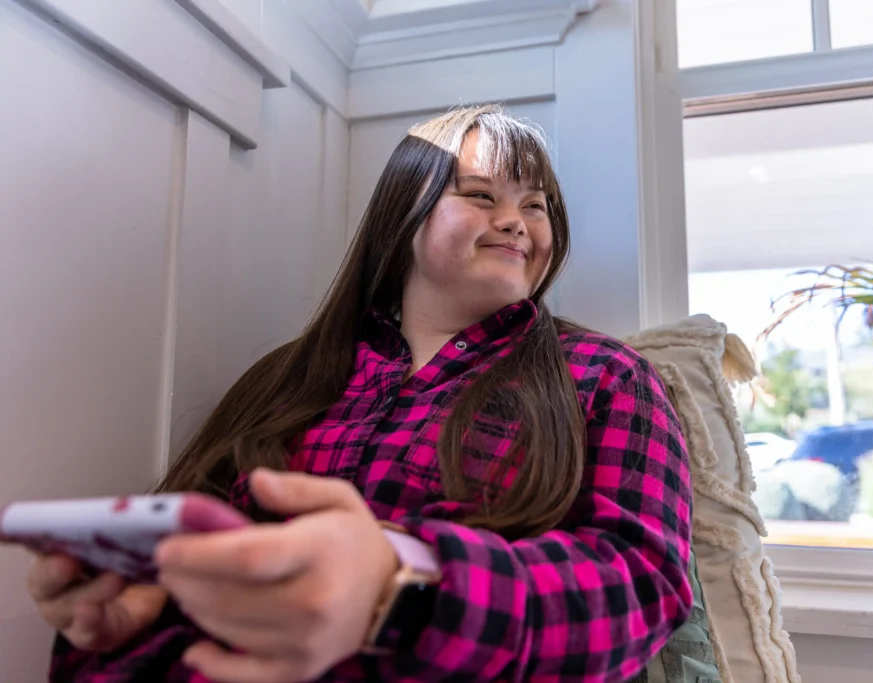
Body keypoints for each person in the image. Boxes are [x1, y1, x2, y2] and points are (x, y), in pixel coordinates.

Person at [21, 105, 693, 683]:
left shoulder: (608, 376)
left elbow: (643, 585)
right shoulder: (284, 378)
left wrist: (402, 587)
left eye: (537, 205)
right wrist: (121, 623)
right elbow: (194, 546)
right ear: (404, 212)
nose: (518, 222)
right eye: (483, 196)